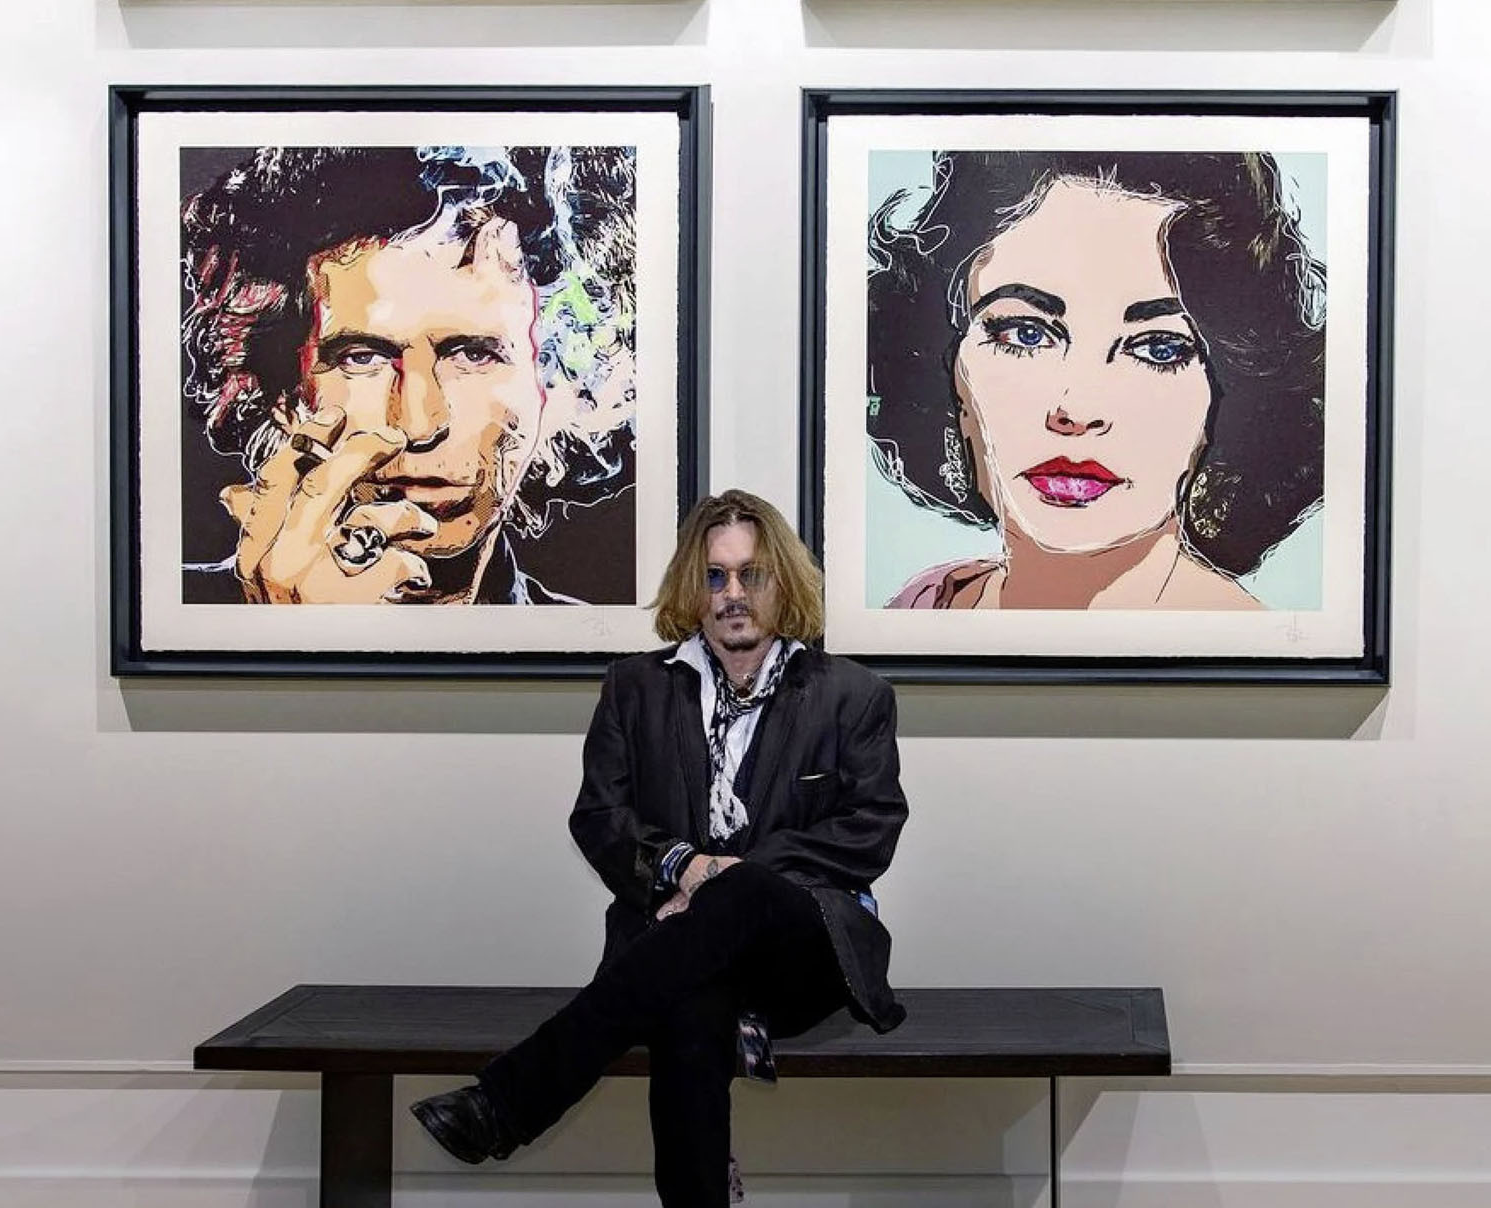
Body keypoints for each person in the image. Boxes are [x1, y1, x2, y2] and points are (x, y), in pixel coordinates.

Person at [410, 489, 908, 1205]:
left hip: (802, 954)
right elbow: (599, 817)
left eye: (751, 574)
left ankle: (508, 1102)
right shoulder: (634, 688)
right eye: (714, 576)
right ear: (690, 586)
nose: (732, 594)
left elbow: (870, 827)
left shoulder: (852, 695)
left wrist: (723, 878)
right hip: (670, 948)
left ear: (782, 582)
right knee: (689, 1014)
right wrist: (683, 866)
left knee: (744, 892)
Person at [177, 145, 638, 605]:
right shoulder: (179, 615)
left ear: (554, 382)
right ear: (286, 397)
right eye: (362, 359)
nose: (419, 425)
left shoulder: (593, 641)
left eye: (474, 355)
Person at [868, 152, 1326, 610]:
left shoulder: (1255, 643)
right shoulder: (921, 607)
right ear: (949, 366)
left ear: (1230, 396)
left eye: (1158, 349)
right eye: (1026, 334)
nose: (1077, 411)